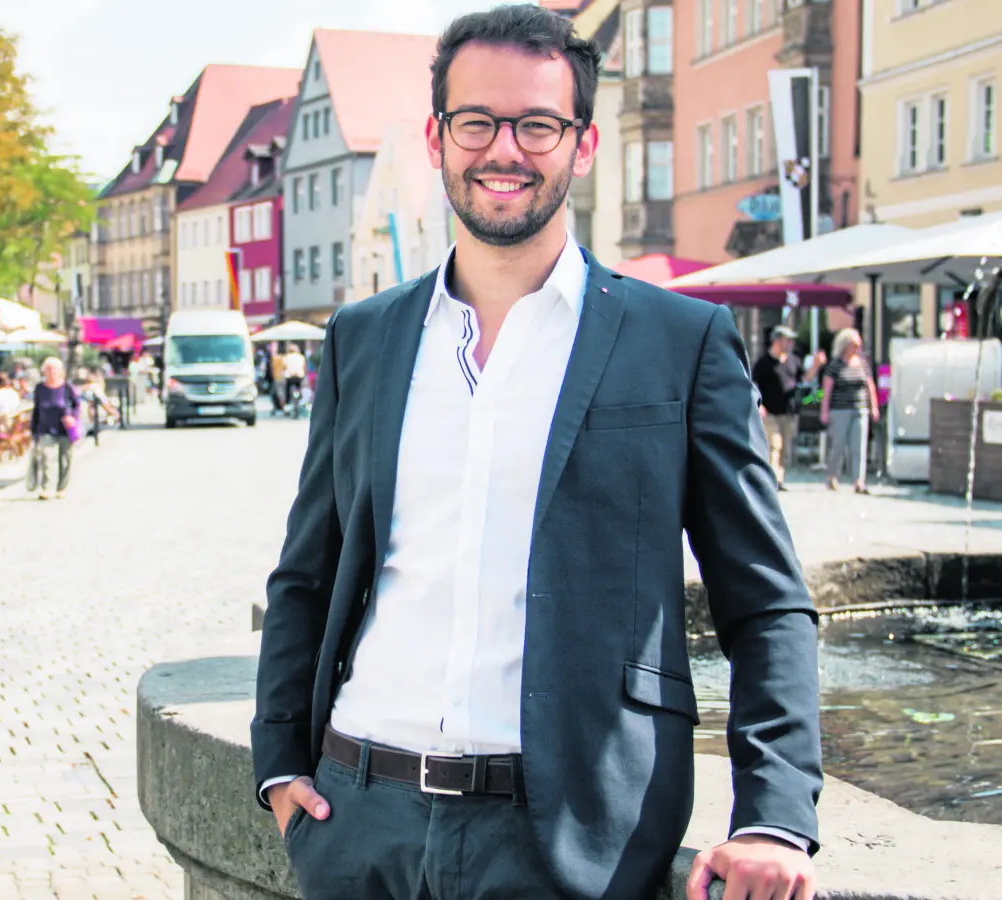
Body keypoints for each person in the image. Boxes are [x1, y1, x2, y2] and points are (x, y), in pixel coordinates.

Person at [252, 9, 821, 900]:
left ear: (582, 145)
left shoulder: (679, 342)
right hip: (358, 822)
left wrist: (773, 814)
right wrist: (280, 759)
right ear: (439, 139)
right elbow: (307, 574)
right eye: (475, 122)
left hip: (565, 843)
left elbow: (765, 602)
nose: (502, 150)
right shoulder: (362, 339)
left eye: (537, 125)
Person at [752, 325, 826, 490]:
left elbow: (805, 379)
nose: (790, 343)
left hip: (789, 411)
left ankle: (779, 479)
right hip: (769, 412)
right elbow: (754, 385)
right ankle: (772, 480)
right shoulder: (763, 363)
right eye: (787, 340)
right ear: (777, 341)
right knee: (774, 445)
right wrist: (759, 405)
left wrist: (815, 366)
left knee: (785, 447)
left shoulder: (794, 360)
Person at [821, 327, 879, 494]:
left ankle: (858, 481)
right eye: (854, 345)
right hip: (839, 410)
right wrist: (824, 411)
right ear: (845, 346)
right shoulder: (835, 365)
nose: (857, 349)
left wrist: (873, 406)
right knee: (838, 444)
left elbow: (870, 386)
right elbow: (827, 390)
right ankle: (832, 476)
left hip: (860, 409)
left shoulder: (862, 364)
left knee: (859, 446)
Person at [28, 357, 78, 500]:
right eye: (48, 369)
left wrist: (72, 417)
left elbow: (76, 405)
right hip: (45, 428)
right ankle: (46, 488)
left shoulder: (67, 388)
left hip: (65, 429)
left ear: (61, 371)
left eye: (54, 369)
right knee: (46, 458)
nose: (51, 372)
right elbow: (36, 409)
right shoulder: (40, 388)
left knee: (66, 459)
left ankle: (61, 488)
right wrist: (33, 429)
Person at [281, 343, 308, 415]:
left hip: (289, 376)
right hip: (299, 376)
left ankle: (287, 404)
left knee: (287, 391)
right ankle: (301, 400)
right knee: (299, 389)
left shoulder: (286, 357)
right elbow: (304, 367)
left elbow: (284, 367)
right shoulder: (301, 357)